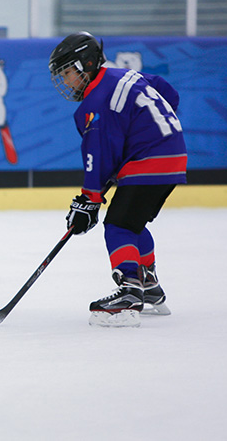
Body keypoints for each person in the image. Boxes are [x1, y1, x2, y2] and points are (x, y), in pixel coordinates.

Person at [49, 31, 187, 328]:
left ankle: (129, 293)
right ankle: (149, 286)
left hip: (149, 159)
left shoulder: (96, 101)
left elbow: (99, 154)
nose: (66, 80)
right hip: (173, 154)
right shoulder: (122, 76)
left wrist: (89, 199)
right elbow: (168, 93)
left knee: (119, 225)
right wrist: (146, 131)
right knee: (133, 222)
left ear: (85, 65)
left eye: (68, 72)